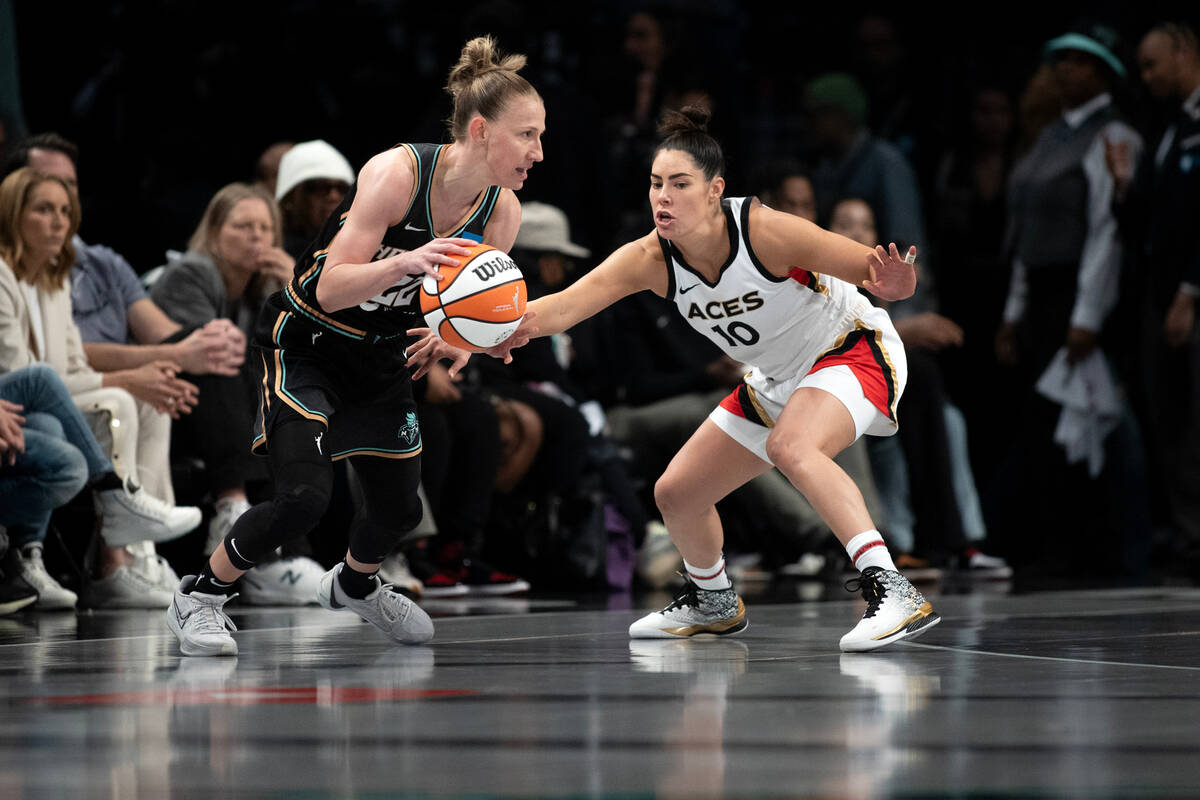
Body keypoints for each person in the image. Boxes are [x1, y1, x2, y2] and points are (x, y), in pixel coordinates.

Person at [411, 106, 937, 652]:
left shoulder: (763, 230)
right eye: (656, 183)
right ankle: (713, 601)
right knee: (678, 493)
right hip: (777, 378)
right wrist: (467, 336)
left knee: (792, 447)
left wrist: (897, 282)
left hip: (851, 350)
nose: (663, 196)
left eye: (679, 184)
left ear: (715, 191)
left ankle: (892, 588)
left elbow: (874, 271)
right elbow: (562, 309)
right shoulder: (649, 258)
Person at [165, 35, 544, 656]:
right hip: (308, 342)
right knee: (303, 499)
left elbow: (470, 310)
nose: (538, 151)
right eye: (527, 135)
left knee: (398, 512)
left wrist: (469, 344)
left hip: (380, 357)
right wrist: (408, 263)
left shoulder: (502, 213)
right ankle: (200, 595)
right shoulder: (396, 173)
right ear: (481, 131)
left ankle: (356, 586)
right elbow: (333, 288)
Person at [4, 132, 247, 594]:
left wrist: (203, 346)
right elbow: (29, 377)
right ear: (14, 200)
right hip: (19, 397)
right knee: (117, 396)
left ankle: (142, 556)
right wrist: (153, 366)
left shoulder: (71, 272)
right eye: (44, 204)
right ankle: (113, 541)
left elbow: (81, 361)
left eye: (66, 198)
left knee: (156, 393)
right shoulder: (9, 272)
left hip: (60, 390)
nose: (60, 217)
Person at [151, 182, 327, 604]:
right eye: (243, 226)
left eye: (266, 228)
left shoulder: (257, 288)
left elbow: (308, 348)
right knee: (229, 359)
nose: (257, 237)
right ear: (214, 233)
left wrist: (293, 285)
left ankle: (279, 543)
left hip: (226, 415)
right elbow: (205, 354)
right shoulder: (191, 273)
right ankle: (238, 517)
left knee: (294, 390)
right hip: (169, 403)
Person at [1107, 22, 1200, 574]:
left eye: (1151, 64)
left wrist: (1190, 292)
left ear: (1184, 52)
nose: (1146, 78)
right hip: (1157, 294)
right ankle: (1189, 533)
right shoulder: (1167, 126)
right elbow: (1149, 222)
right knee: (1169, 416)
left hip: (1189, 295)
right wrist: (1122, 184)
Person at [274, 140, 355, 259]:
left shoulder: (363, 249)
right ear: (290, 198)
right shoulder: (266, 251)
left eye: (343, 189)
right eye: (320, 187)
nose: (333, 196)